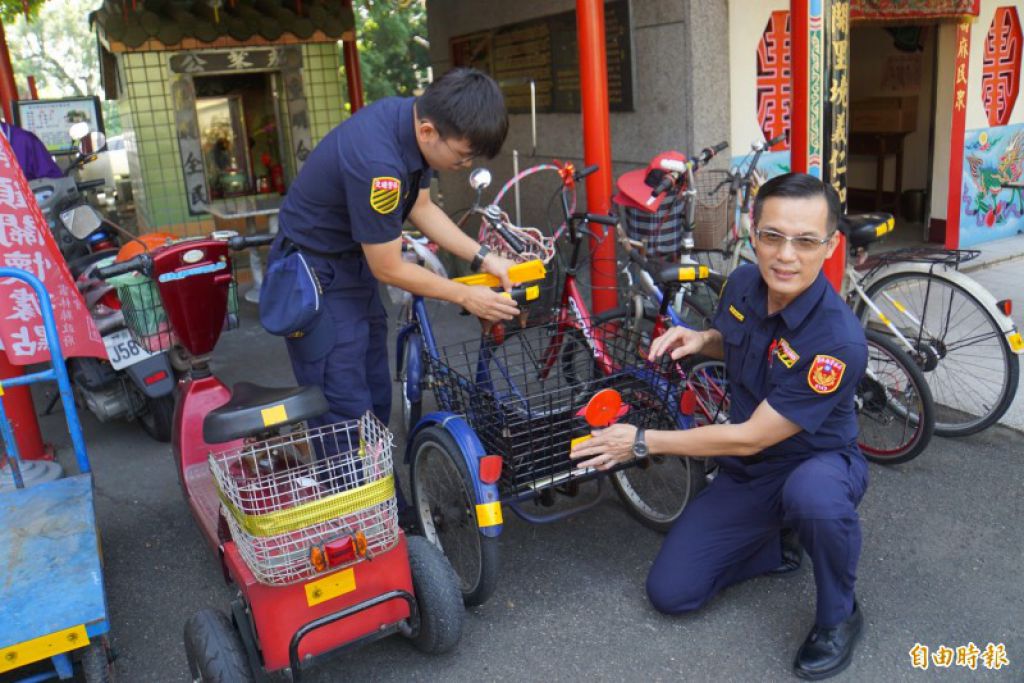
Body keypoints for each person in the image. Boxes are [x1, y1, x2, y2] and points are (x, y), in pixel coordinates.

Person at [571, 173, 869, 680]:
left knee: (814, 497)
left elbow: (752, 433)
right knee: (672, 593)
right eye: (772, 236)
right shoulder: (745, 282)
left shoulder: (836, 341)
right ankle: (779, 542)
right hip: (748, 472)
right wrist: (698, 339)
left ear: (830, 245)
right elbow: (732, 340)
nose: (786, 256)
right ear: (752, 234)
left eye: (805, 241)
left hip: (817, 462)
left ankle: (840, 615)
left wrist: (641, 442)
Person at [264, 68, 518, 508]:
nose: (465, 167)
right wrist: (463, 293)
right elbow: (388, 266)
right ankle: (363, 521)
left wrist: (483, 257)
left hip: (353, 263)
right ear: (428, 131)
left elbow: (420, 206)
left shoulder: (410, 123)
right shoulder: (378, 163)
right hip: (316, 273)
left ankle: (381, 503)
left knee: (376, 393)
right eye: (462, 158)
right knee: (342, 406)